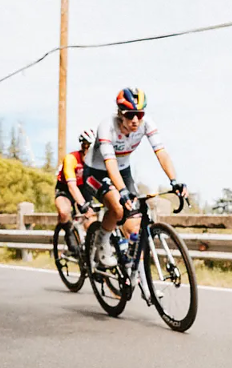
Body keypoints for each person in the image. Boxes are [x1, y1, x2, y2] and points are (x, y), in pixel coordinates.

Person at [84, 88, 186, 268]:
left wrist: (174, 181)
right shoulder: (107, 127)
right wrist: (122, 191)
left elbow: (161, 153)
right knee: (118, 207)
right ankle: (101, 243)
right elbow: (110, 162)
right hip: (96, 171)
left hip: (123, 169)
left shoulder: (146, 124)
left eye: (139, 114)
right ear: (120, 114)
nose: (135, 120)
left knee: (134, 222)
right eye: (130, 115)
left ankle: (131, 264)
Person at [55, 128, 96, 228]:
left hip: (83, 188)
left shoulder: (95, 162)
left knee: (91, 220)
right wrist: (82, 204)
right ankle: (68, 232)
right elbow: (71, 186)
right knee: (64, 212)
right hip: (65, 188)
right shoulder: (71, 159)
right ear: (83, 146)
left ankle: (89, 240)